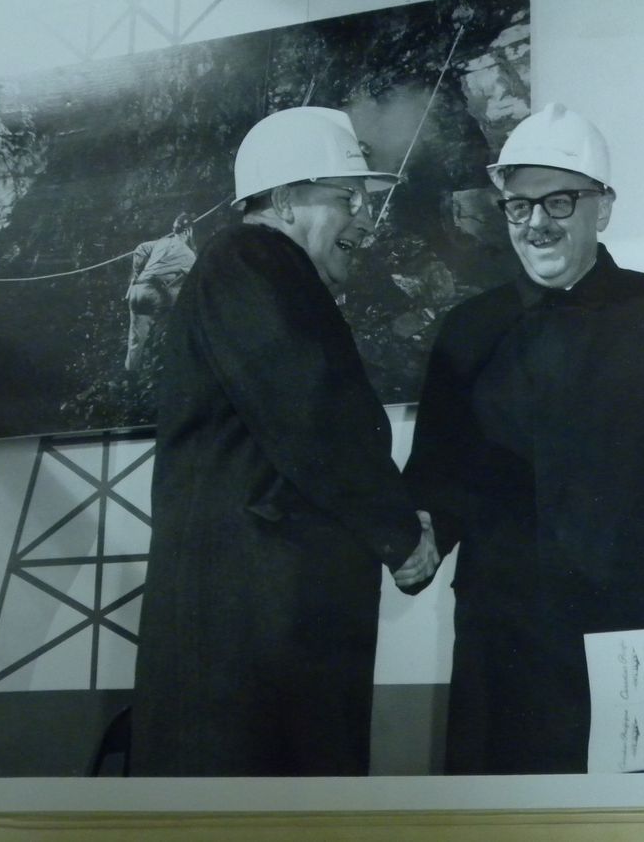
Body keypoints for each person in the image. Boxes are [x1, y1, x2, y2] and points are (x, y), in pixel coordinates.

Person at [404, 102, 644, 775]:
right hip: (505, 643)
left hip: (643, 630)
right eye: (518, 205)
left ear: (604, 208)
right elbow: (438, 481)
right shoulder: (468, 329)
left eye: (559, 201)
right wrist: (411, 538)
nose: (536, 223)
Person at [130, 107, 440, 777]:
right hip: (254, 633)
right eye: (345, 197)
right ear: (285, 199)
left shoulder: (258, 272)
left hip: (262, 628)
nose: (365, 217)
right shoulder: (249, 256)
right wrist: (398, 533)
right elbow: (312, 409)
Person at [124, 213, 198, 372]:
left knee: (135, 340)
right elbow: (196, 280)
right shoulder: (189, 255)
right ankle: (160, 355)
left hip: (137, 290)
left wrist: (137, 274)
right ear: (188, 232)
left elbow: (140, 249)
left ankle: (131, 376)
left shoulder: (162, 242)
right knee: (178, 307)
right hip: (155, 294)